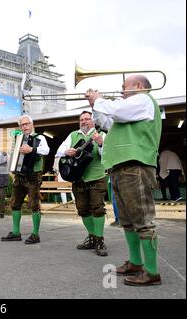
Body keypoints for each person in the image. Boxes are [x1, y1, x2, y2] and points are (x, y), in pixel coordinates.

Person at [88, 74, 162, 286]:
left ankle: (152, 271)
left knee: (142, 221)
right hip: (122, 166)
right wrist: (95, 105)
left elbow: (116, 110)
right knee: (128, 221)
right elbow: (106, 122)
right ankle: (136, 263)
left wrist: (99, 100)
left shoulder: (143, 99)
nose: (121, 91)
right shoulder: (130, 108)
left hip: (135, 166)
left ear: (138, 86)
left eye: (124, 87)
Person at [56, 111, 108, 256]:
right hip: (78, 177)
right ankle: (92, 237)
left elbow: (108, 156)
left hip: (96, 177)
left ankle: (99, 240)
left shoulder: (101, 135)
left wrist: (100, 143)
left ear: (93, 121)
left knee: (97, 208)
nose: (84, 121)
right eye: (81, 120)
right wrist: (67, 151)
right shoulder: (73, 135)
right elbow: (59, 151)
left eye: (87, 119)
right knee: (83, 209)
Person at [1, 115, 49, 244]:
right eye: (22, 125)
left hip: (33, 175)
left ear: (32, 124)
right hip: (19, 174)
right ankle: (16, 232)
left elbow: (46, 150)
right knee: (15, 203)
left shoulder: (40, 138)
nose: (25, 126)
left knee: (34, 204)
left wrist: (32, 149)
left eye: (27, 124)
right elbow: (14, 154)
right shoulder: (18, 138)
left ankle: (35, 234)